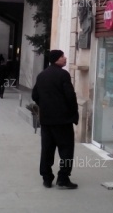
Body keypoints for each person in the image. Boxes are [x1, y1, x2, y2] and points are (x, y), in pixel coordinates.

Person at [32, 50, 79, 190]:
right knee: (66, 150)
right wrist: (73, 113)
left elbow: (35, 95)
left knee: (47, 149)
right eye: (62, 56)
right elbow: (70, 96)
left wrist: (45, 106)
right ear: (56, 59)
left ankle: (47, 178)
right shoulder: (63, 74)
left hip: (46, 120)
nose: (65, 58)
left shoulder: (42, 75)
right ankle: (63, 178)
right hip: (63, 120)